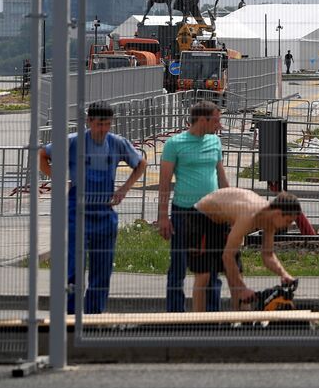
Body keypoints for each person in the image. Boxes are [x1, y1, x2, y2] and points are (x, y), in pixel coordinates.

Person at [39, 101, 146, 313]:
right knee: (73, 267)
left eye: (107, 124)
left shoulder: (117, 143)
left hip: (104, 212)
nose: (103, 129)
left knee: (102, 268)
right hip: (75, 212)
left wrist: (124, 189)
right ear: (89, 122)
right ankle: (71, 316)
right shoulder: (73, 142)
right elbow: (42, 155)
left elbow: (141, 163)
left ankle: (94, 317)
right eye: (99, 124)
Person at [158, 99, 228, 311]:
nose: (220, 125)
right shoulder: (174, 144)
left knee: (212, 267)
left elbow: (222, 177)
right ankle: (175, 315)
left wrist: (230, 208)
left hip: (212, 213)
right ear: (202, 120)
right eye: (216, 120)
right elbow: (164, 183)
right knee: (178, 265)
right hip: (185, 212)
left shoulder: (215, 142)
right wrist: (163, 217)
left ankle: (211, 315)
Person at [187, 189, 300, 311]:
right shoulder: (249, 216)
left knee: (236, 273)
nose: (288, 226)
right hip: (201, 216)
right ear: (278, 213)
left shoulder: (270, 221)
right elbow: (227, 256)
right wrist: (242, 289)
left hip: (221, 219)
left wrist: (284, 274)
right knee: (204, 275)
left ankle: (242, 321)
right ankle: (198, 323)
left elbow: (268, 255)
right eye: (288, 221)